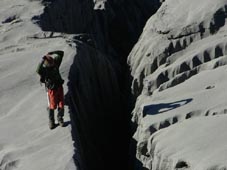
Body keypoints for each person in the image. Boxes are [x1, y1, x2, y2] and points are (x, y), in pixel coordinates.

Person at [36, 50, 65, 129]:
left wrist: (52, 52)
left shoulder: (55, 64)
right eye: (50, 64)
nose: (52, 64)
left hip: (59, 87)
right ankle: (51, 121)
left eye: (52, 63)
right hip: (51, 90)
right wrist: (42, 60)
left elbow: (61, 53)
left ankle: (60, 119)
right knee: (52, 105)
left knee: (61, 103)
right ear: (46, 64)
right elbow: (38, 70)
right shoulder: (44, 70)